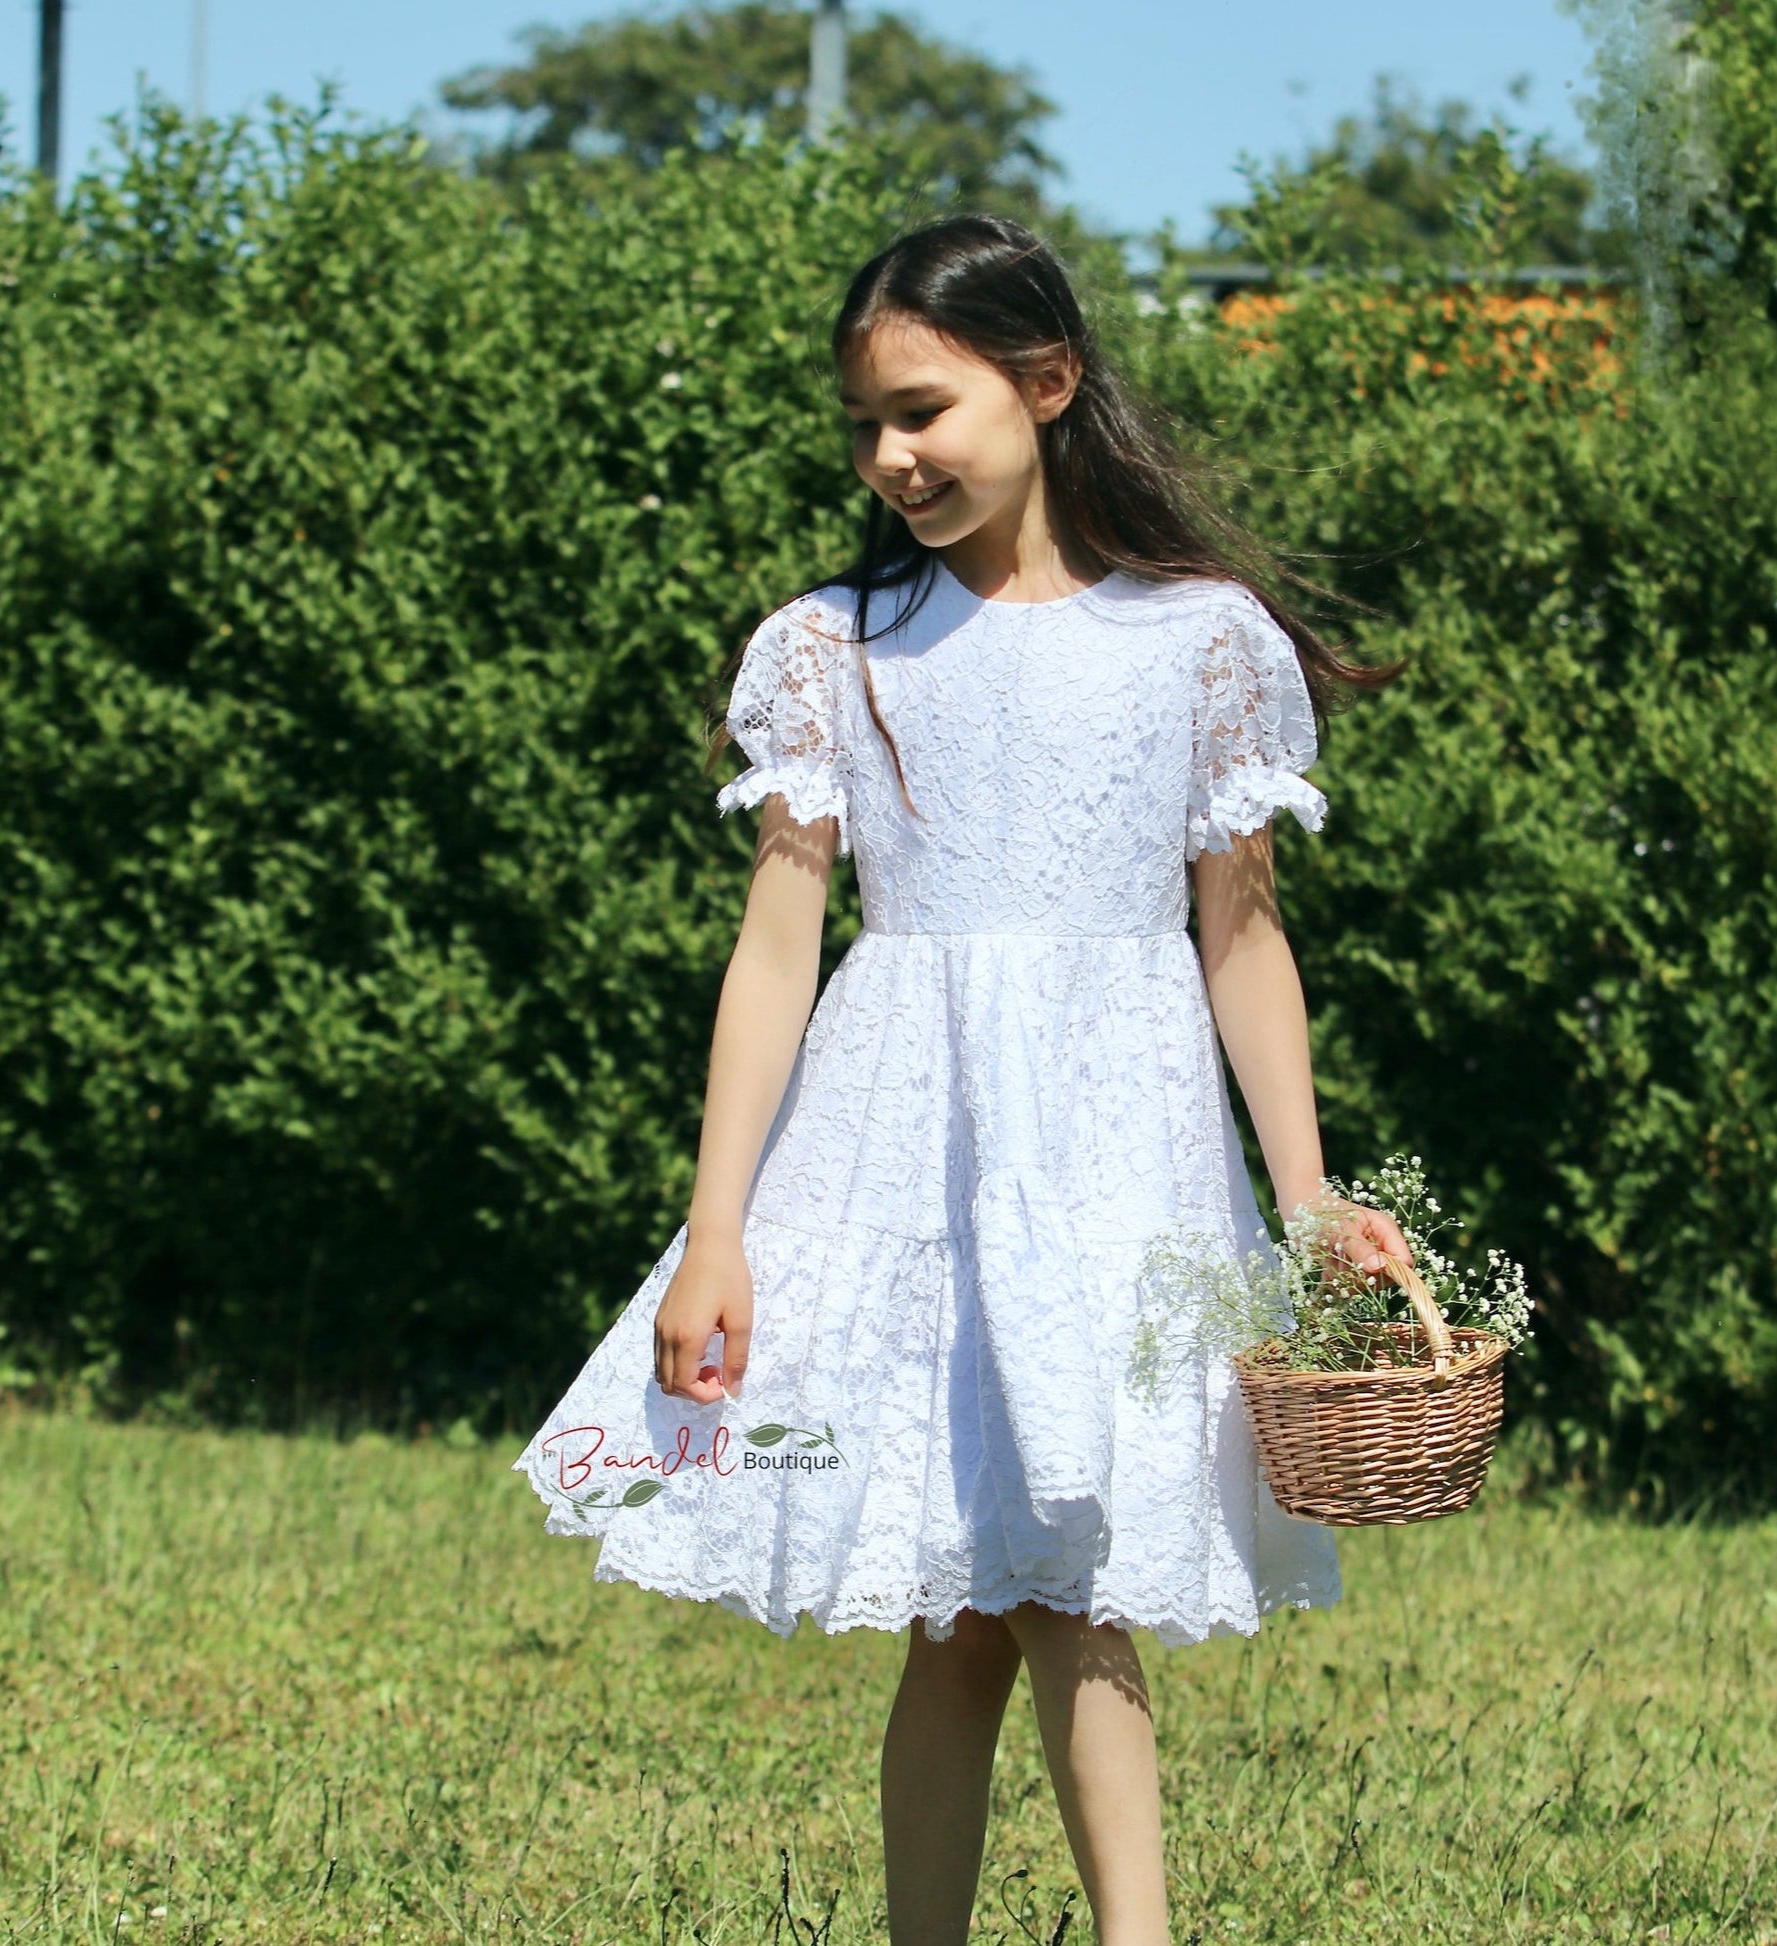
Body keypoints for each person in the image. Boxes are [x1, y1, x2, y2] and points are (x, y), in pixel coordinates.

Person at [514, 213, 1415, 1946]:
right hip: (904, 1146)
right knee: (950, 1600)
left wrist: (1304, 1201)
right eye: (864, 424)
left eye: (922, 409)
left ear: (1050, 381)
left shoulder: (1198, 642)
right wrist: (717, 1232)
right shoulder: (833, 645)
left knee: (1081, 1581)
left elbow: (1240, 940)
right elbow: (779, 942)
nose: (889, 455)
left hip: (1113, 1152)